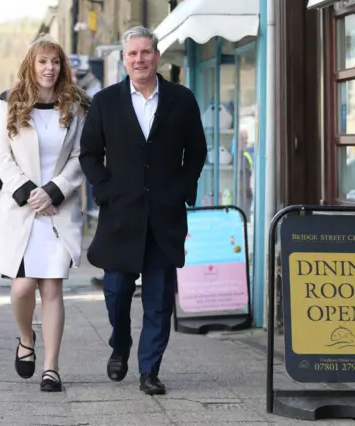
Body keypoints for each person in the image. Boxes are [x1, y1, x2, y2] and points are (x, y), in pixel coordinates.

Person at [79, 26, 207, 395]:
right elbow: (89, 153)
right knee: (116, 292)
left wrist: (183, 189)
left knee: (159, 299)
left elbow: (196, 151)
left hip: (164, 218)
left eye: (146, 53)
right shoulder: (105, 101)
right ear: (124, 59)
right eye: (132, 54)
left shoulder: (182, 100)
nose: (139, 60)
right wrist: (105, 190)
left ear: (157, 55)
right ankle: (120, 342)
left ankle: (149, 371)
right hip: (120, 216)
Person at [0, 34, 90, 392]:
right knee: (22, 287)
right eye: (43, 62)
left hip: (58, 210)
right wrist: (27, 191)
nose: (49, 68)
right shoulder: (10, 103)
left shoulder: (76, 106)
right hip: (23, 209)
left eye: (55, 62)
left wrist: (55, 190)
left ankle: (51, 368)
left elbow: (81, 156)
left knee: (51, 289)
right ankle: (25, 339)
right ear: (32, 65)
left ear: (63, 67)